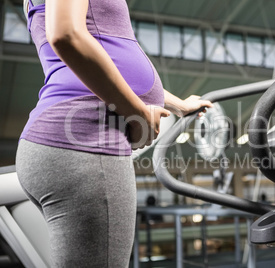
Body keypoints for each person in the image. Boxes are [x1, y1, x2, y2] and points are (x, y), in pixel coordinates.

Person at [16, 0, 212, 267]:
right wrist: (139, 115)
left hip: (62, 142)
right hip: (85, 144)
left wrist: (178, 105)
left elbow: (102, 59)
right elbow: (67, 35)